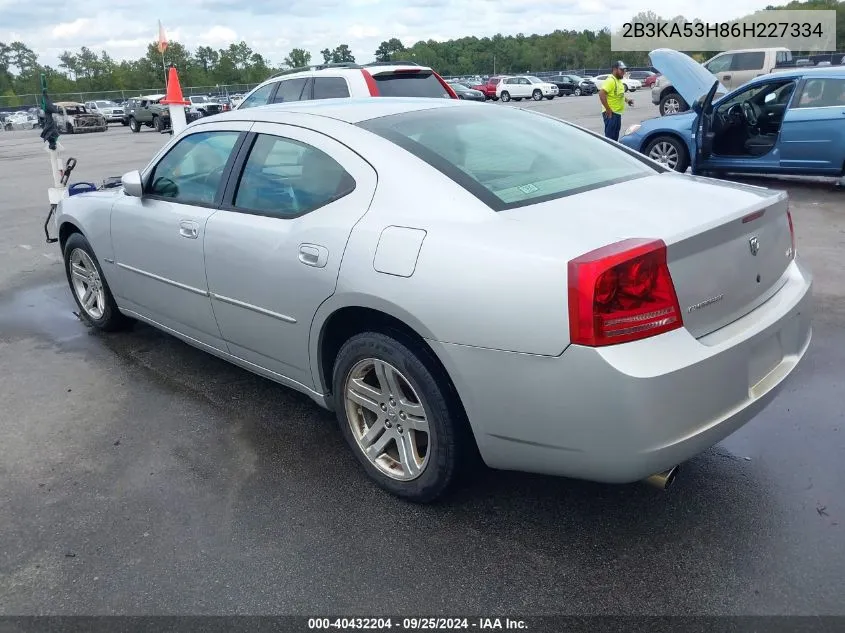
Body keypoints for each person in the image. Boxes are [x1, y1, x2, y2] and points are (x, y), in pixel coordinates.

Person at [599, 60, 634, 142]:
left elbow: (619, 95)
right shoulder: (611, 80)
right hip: (611, 114)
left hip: (617, 114)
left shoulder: (618, 81)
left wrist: (627, 100)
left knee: (614, 139)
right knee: (610, 140)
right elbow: (601, 93)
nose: (623, 72)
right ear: (615, 69)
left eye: (624, 70)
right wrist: (608, 109)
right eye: (621, 70)